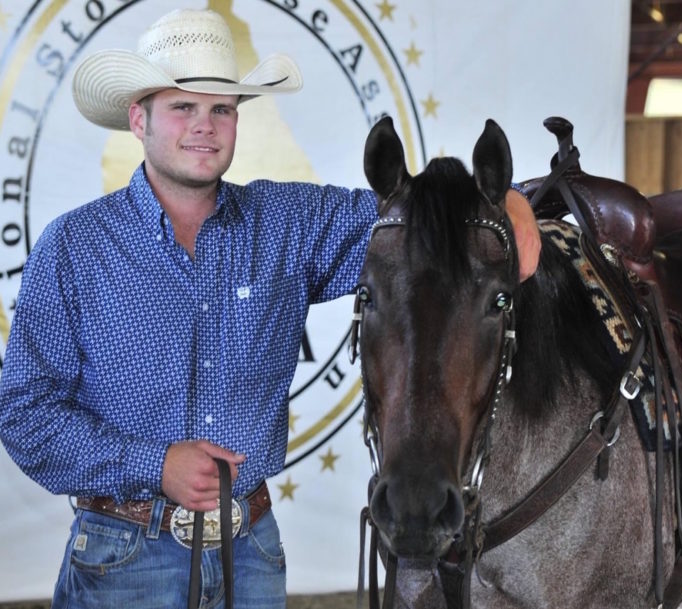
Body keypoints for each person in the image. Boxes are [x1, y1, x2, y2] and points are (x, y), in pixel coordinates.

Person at [0, 8, 541, 609]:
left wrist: (510, 202)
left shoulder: (287, 223)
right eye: (184, 107)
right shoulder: (74, 247)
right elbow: (24, 414)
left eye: (221, 110)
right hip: (122, 556)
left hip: (249, 551)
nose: (204, 127)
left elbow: (431, 221)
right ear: (138, 118)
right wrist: (155, 465)